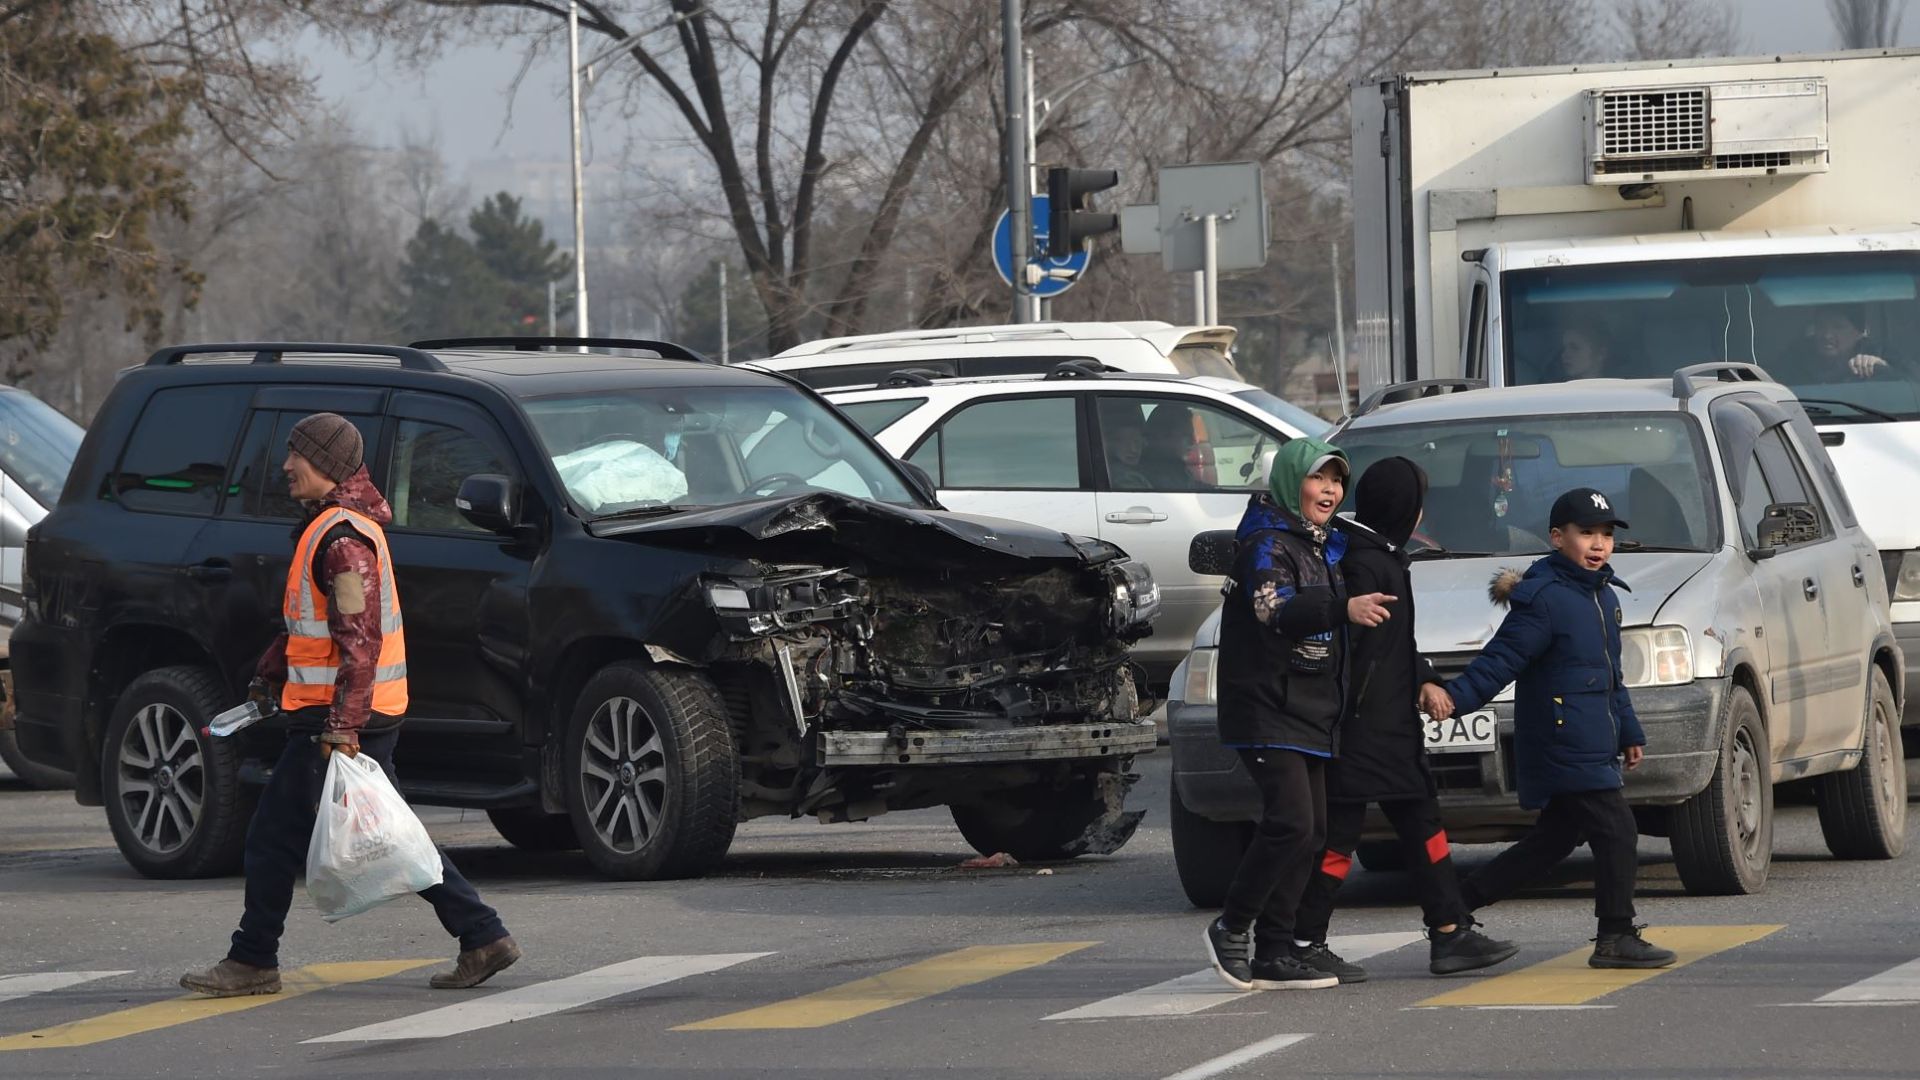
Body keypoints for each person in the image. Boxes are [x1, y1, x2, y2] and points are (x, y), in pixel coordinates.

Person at [180, 413, 521, 998]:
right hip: (344, 712)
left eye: (298, 456)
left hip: (337, 718)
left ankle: (253, 960)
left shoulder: (342, 542)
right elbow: (316, 629)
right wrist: (271, 671)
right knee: (393, 833)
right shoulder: (330, 531)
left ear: (328, 465)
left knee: (270, 837)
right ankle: (481, 934)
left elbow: (359, 641)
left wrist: (342, 726)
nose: (286, 466)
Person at [1288, 458, 1520, 983]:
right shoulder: (1365, 563)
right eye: (1417, 503)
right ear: (1402, 508)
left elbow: (1395, 644)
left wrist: (1425, 677)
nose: (1420, 515)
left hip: (1387, 720)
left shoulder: (1383, 557)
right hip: (1364, 725)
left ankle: (1448, 932)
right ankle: (1303, 941)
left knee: (1420, 824)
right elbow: (1354, 648)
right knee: (1342, 839)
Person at [1438, 487, 1677, 970]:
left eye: (1606, 535)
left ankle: (1452, 912)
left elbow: (1612, 676)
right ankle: (1614, 935)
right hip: (1562, 740)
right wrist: (1452, 699)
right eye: (1586, 533)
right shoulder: (1544, 599)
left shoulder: (1604, 597)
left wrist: (1629, 731)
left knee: (1553, 840)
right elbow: (1501, 660)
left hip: (1591, 740)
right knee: (1617, 830)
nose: (1598, 544)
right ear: (1556, 537)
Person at [1202, 437, 1395, 992]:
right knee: (1290, 824)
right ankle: (1231, 927)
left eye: (1337, 480)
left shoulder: (1323, 545)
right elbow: (1274, 609)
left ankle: (1277, 951)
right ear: (1292, 482)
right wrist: (1343, 607)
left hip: (1312, 710)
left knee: (1312, 833)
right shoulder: (1267, 543)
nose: (1330, 490)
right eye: (1319, 478)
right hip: (1266, 707)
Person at [1778, 305, 1894, 383]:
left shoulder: (1881, 353)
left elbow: (1910, 383)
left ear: (1860, 332)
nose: (1827, 335)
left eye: (1838, 327)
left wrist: (1883, 369)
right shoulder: (1796, 359)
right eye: (1820, 326)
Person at [1141, 405, 1200, 490]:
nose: (1193, 441)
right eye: (1186, 435)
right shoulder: (1156, 478)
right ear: (1162, 436)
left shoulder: (1174, 467)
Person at [1105, 416, 1152, 489]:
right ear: (1108, 443)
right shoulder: (1124, 478)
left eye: (1137, 441)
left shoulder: (1144, 471)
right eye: (1124, 442)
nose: (1133, 449)